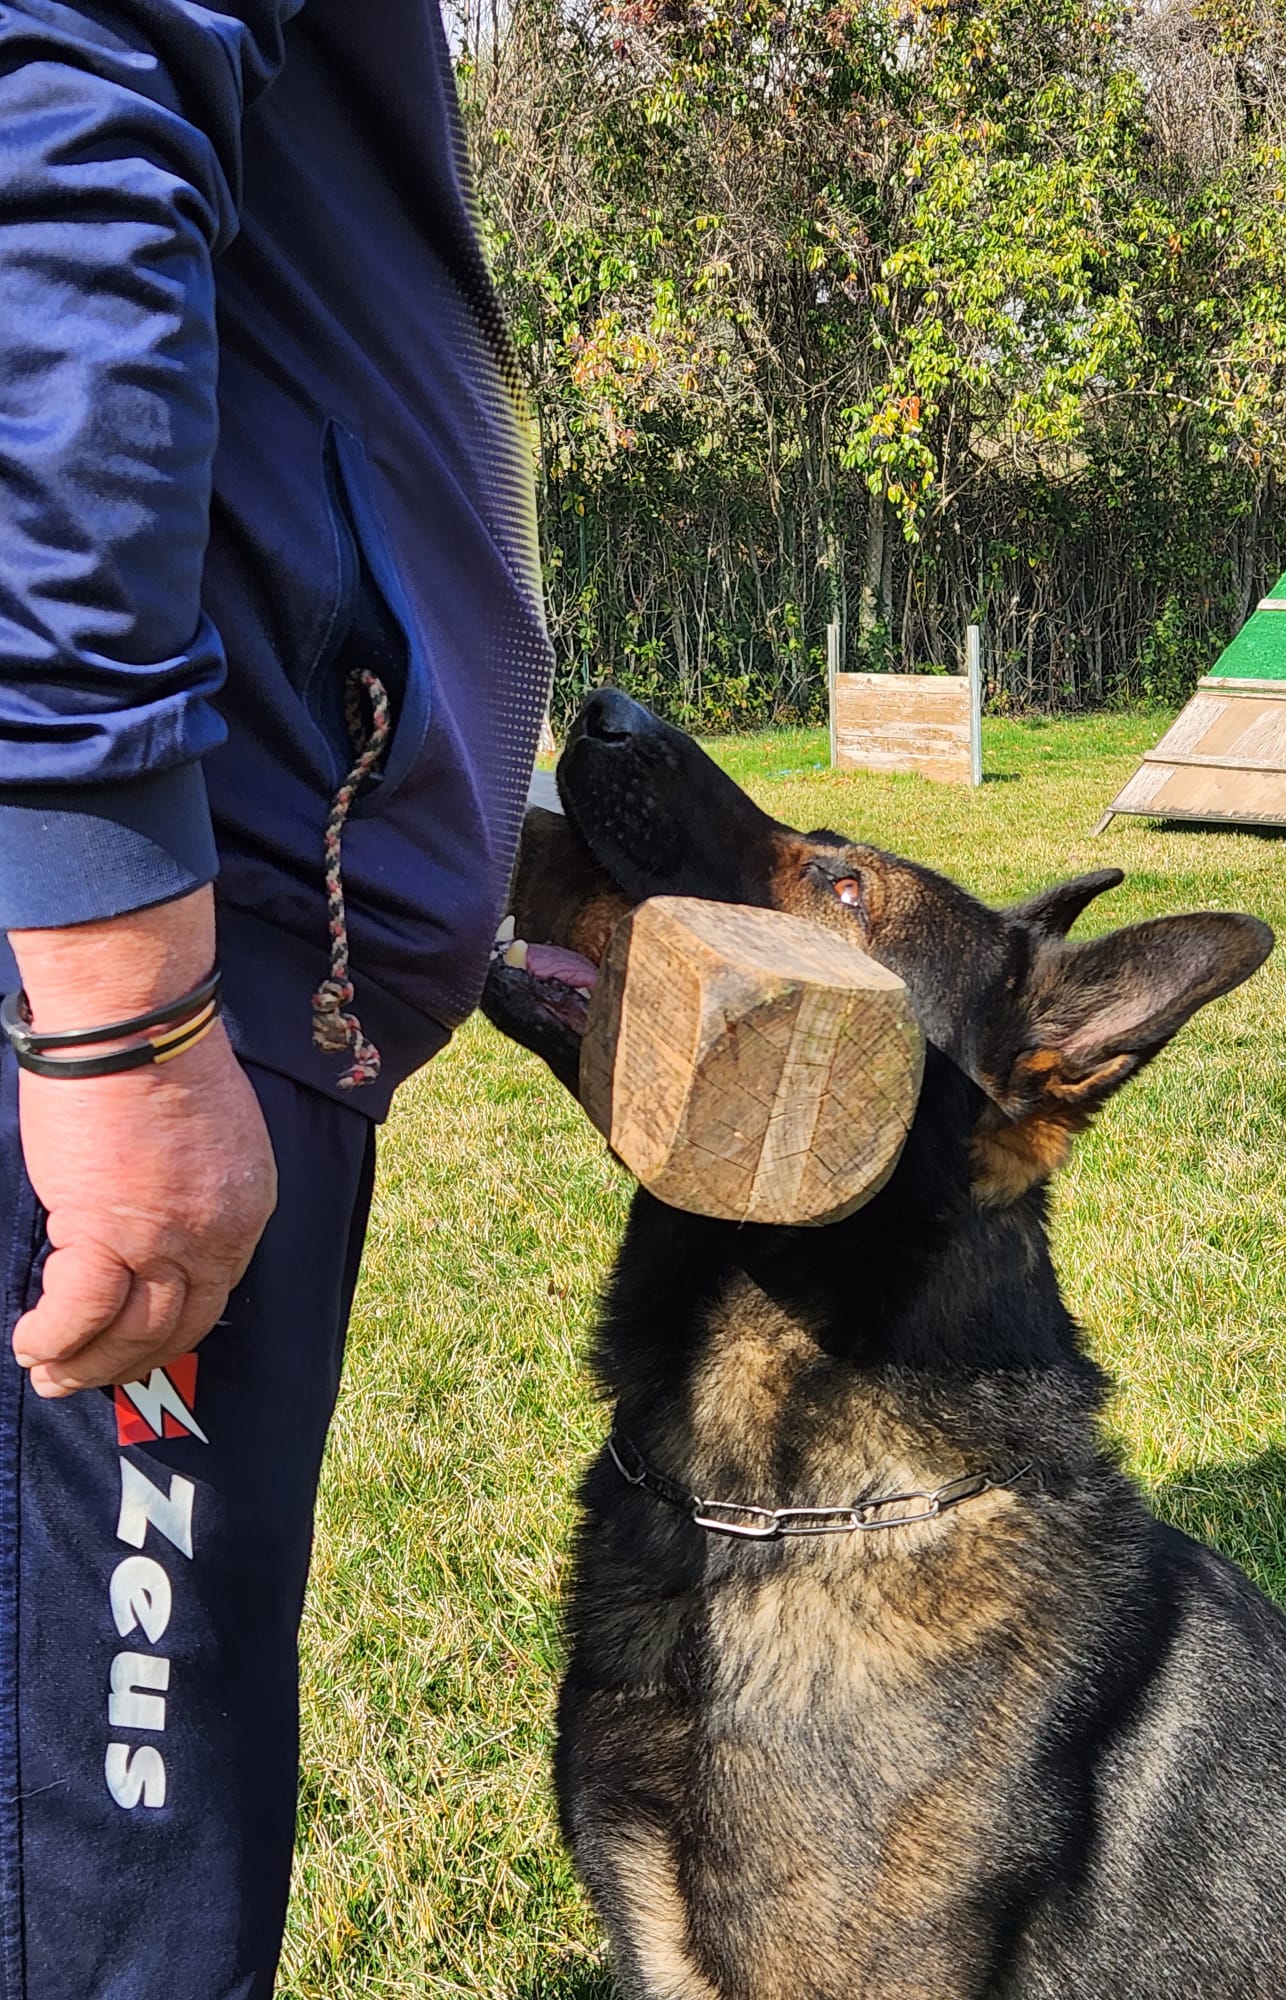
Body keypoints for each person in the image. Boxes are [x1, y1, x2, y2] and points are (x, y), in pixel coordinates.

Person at [0, 5, 553, 1994]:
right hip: (135, 983)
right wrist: (120, 1002)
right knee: (109, 1902)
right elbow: (55, 119)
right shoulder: (121, 994)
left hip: (160, 953)